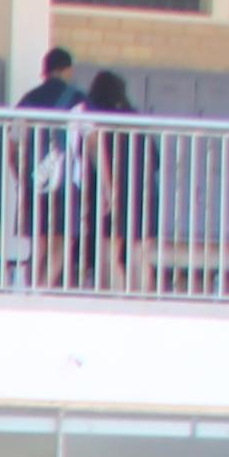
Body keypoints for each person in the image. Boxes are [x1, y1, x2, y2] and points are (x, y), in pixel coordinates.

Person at [14, 44, 92, 288]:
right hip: (67, 182)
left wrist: (21, 177)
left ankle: (30, 288)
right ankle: (43, 287)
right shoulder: (78, 99)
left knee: (38, 240)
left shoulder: (28, 100)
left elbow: (12, 144)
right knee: (63, 239)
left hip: (36, 180)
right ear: (67, 70)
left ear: (45, 72)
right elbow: (91, 140)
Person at [81, 70, 155, 292]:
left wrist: (105, 190)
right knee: (139, 255)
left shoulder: (97, 121)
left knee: (109, 255)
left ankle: (115, 303)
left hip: (112, 195)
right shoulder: (136, 121)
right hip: (144, 194)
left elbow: (93, 157)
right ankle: (142, 305)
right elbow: (155, 160)